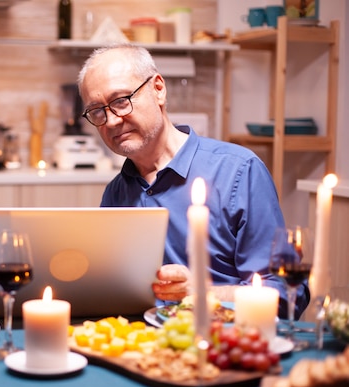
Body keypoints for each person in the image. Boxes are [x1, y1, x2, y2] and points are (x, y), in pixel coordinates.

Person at [77, 44, 309, 319]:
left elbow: (285, 294)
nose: (112, 121)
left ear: (158, 89)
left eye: (120, 101)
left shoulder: (238, 171)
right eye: (97, 111)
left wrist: (202, 293)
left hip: (224, 343)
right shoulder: (115, 193)